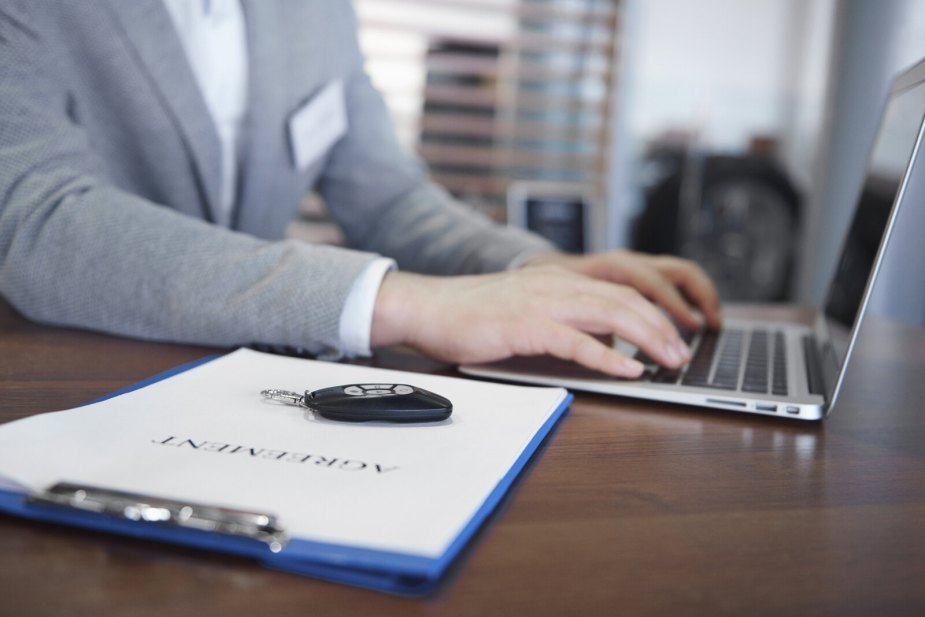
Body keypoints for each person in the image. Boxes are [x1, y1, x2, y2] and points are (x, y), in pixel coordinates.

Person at [0, 1, 720, 378]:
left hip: (239, 393)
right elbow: (37, 219)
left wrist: (525, 267)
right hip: (61, 391)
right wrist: (399, 302)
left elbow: (384, 195)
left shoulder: (315, 11)